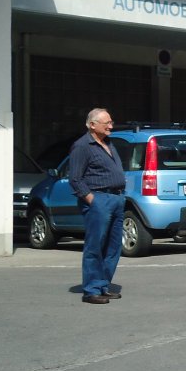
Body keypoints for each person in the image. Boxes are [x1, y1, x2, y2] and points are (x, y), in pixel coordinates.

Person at [67, 108, 125, 304]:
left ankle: (102, 285)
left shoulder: (108, 143)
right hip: (99, 200)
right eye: (106, 123)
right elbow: (75, 179)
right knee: (95, 246)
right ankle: (91, 289)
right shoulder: (82, 146)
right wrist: (92, 200)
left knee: (113, 246)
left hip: (116, 199)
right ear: (92, 125)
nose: (110, 126)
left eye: (111, 122)